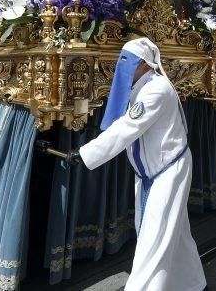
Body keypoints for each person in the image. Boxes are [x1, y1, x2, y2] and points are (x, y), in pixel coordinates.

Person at [66, 38, 206, 291]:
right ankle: (194, 284)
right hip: (151, 173)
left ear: (143, 63)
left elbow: (127, 128)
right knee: (176, 233)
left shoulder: (156, 89)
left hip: (167, 171)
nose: (120, 66)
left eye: (126, 61)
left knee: (154, 240)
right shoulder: (141, 87)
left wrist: (85, 154)